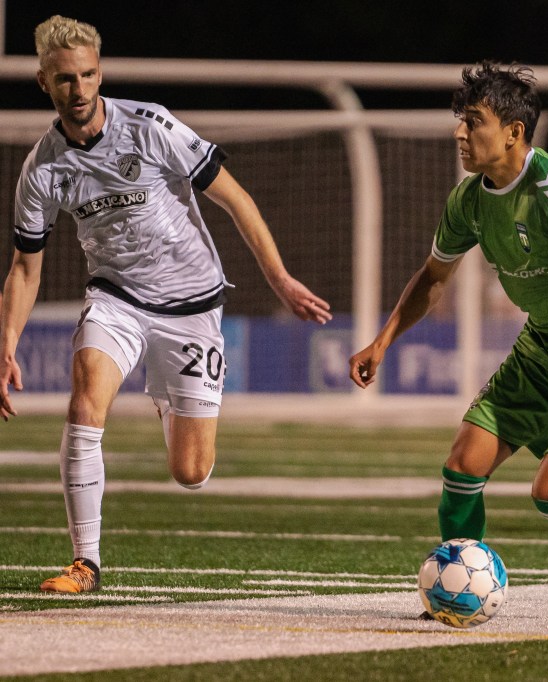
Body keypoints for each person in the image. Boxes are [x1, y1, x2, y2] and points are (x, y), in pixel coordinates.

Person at [0, 15, 332, 593]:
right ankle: (87, 563)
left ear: (100, 74)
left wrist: (278, 279)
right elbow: (26, 267)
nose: (79, 90)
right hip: (116, 298)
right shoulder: (42, 169)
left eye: (88, 76)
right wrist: (5, 347)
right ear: (43, 83)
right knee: (84, 399)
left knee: (191, 473)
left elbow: (236, 198)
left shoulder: (151, 126)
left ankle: (167, 400)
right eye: (65, 80)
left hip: (193, 305)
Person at [349, 62, 548, 569]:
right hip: (539, 353)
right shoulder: (468, 200)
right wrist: (382, 341)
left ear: (513, 133)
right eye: (460, 120)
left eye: (472, 121)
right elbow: (433, 277)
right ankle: (459, 577)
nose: (459, 132)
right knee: (462, 466)